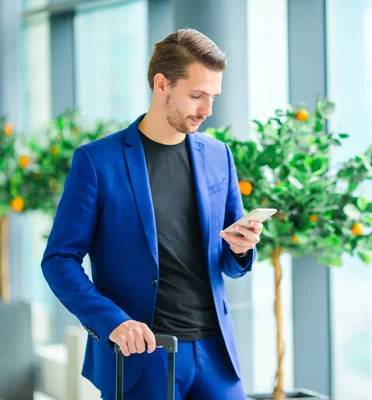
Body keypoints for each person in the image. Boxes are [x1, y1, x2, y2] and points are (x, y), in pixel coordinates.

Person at [41, 28, 261, 400]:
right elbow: (59, 260)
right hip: (141, 355)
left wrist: (241, 248)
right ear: (162, 84)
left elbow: (230, 260)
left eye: (213, 97)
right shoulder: (97, 161)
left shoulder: (219, 155)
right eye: (197, 96)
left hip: (216, 354)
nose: (207, 110)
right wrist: (113, 322)